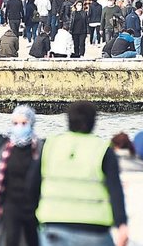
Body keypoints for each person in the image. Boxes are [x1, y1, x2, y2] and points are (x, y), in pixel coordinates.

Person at [37, 101, 129, 246]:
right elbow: (115, 191)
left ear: (67, 120)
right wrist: (122, 224)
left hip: (54, 227)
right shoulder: (103, 150)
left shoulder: (49, 146)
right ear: (94, 122)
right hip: (94, 229)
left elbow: (31, 187)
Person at [0, 105, 42, 246]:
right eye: (15, 123)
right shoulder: (6, 146)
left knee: (33, 239)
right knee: (11, 239)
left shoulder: (39, 147)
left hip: (32, 204)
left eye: (24, 123)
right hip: (10, 203)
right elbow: (1, 179)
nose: (19, 127)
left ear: (31, 123)